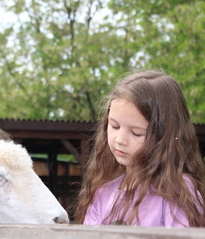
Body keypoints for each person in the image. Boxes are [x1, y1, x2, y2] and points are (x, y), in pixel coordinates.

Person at [75, 70, 205, 227]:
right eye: (114, 126)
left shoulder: (178, 192)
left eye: (136, 133)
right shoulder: (102, 193)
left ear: (164, 136)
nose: (120, 140)